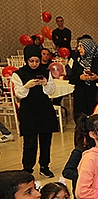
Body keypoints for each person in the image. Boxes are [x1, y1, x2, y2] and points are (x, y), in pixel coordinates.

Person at [11, 45, 58, 177]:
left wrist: (45, 84)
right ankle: (27, 169)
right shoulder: (18, 74)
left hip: (44, 110)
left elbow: (52, 91)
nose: (34, 64)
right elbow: (18, 94)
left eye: (37, 61)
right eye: (31, 61)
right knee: (30, 142)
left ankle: (44, 166)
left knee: (45, 141)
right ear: (26, 60)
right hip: (29, 111)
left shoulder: (46, 71)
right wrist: (27, 86)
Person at [68, 38, 98, 120]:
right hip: (80, 94)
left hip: (95, 94)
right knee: (80, 119)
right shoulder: (77, 61)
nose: (79, 49)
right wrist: (80, 77)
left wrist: (97, 77)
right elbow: (71, 78)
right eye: (78, 46)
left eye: (81, 46)